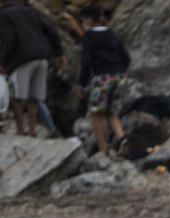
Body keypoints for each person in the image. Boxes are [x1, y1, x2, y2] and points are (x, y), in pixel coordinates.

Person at [0, 0, 65, 137]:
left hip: (22, 59)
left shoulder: (4, 15)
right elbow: (51, 32)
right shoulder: (30, 11)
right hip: (42, 58)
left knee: (16, 97)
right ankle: (32, 131)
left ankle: (21, 132)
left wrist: (2, 62)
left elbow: (10, 40)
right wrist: (59, 54)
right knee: (33, 97)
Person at [77, 6, 129, 155]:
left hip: (102, 77)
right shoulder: (111, 33)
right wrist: (118, 70)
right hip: (119, 75)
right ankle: (121, 138)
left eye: (82, 21)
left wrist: (81, 85)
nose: (82, 24)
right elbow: (126, 57)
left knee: (95, 113)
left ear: (88, 20)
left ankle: (103, 149)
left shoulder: (88, 37)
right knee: (110, 111)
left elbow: (86, 63)